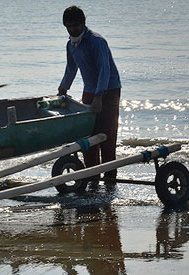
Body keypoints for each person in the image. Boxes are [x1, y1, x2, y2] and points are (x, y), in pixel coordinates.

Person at [57, 6, 121, 180]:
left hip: (109, 90)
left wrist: (99, 96)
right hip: (89, 90)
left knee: (106, 137)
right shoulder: (71, 44)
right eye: (69, 26)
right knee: (88, 136)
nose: (72, 29)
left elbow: (104, 70)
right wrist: (63, 88)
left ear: (83, 23)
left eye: (76, 25)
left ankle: (110, 180)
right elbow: (71, 68)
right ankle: (92, 177)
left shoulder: (96, 41)